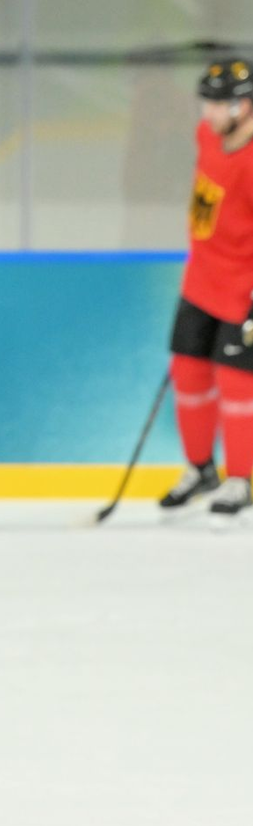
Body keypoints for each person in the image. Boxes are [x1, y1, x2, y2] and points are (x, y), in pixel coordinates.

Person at [159, 57, 253, 518]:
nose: (207, 115)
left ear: (245, 105)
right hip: (200, 282)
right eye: (206, 104)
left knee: (237, 384)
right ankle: (201, 469)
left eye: (217, 105)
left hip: (242, 291)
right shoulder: (206, 136)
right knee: (188, 374)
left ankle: (240, 479)